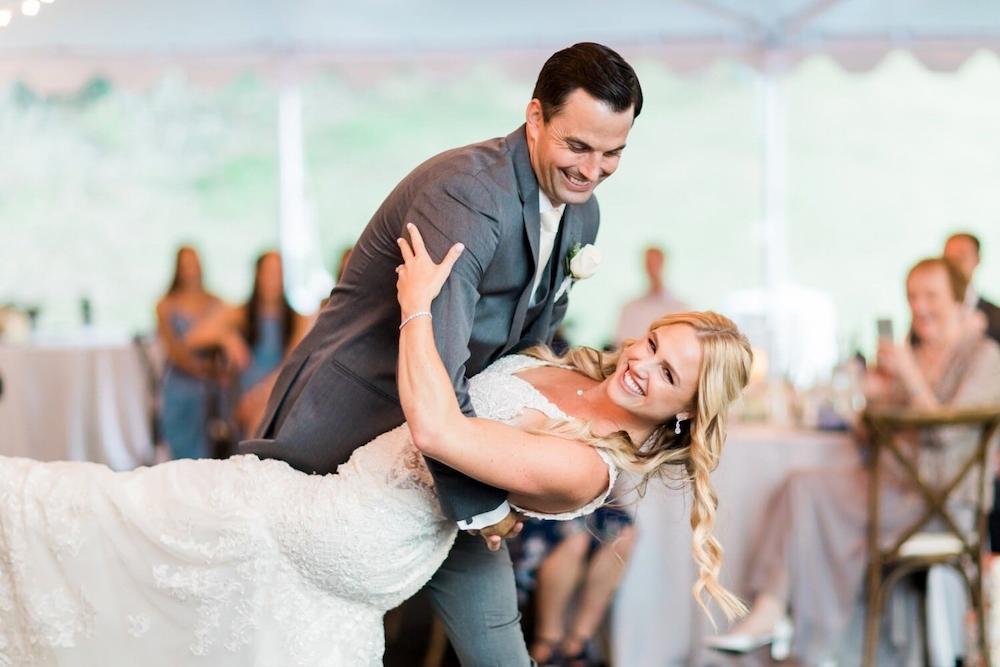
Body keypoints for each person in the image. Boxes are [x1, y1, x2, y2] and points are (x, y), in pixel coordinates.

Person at [0, 225, 753, 666]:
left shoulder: (587, 464)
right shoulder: (562, 363)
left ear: (688, 412)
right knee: (97, 513)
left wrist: (419, 307)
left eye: (667, 372)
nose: (641, 363)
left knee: (103, 527)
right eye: (654, 341)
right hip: (299, 501)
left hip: (344, 554)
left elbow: (440, 430)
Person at [242, 42, 643, 665]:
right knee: (293, 634)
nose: (592, 171)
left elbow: (532, 349)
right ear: (535, 118)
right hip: (348, 432)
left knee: (497, 644)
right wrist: (483, 506)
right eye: (578, 147)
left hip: (447, 446)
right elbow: (438, 350)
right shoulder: (465, 195)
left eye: (613, 152)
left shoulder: (581, 218)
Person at [706, 257, 1000, 665]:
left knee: (807, 491)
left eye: (931, 296)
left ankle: (799, 630)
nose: (920, 307)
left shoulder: (984, 356)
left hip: (941, 503)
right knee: (802, 488)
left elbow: (946, 432)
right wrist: (869, 401)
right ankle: (776, 613)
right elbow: (879, 437)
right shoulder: (919, 355)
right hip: (895, 489)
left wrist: (909, 377)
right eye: (913, 296)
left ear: (959, 299)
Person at [186, 251, 312, 437]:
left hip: (276, 393)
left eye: (278, 273)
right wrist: (227, 337)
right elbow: (193, 338)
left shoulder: (298, 319)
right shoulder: (241, 313)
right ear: (257, 275)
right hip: (242, 397)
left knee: (263, 417)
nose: (272, 279)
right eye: (268, 272)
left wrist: (258, 397)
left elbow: (290, 366)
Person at [155, 245, 221, 459]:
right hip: (181, 383)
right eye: (185, 265)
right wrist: (201, 369)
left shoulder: (215, 302)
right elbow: (174, 351)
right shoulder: (165, 306)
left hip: (209, 386)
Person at [614, 246, 689, 346]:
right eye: (649, 264)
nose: (652, 268)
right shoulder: (630, 308)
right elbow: (621, 343)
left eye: (655, 263)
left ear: (663, 264)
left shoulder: (681, 309)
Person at [943, 232, 1000, 344]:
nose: (954, 264)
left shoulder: (996, 317)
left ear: (977, 260)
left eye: (962, 256)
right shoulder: (927, 316)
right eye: (948, 259)